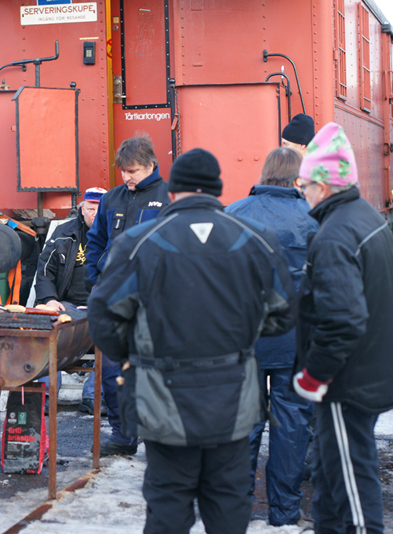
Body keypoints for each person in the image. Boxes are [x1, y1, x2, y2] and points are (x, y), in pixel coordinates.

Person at [88, 148, 297, 534]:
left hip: (163, 397)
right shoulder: (256, 239)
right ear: (217, 189)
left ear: (173, 190)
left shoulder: (140, 242)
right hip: (233, 396)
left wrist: (131, 354)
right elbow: (283, 313)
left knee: (168, 505)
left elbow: (104, 316)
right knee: (228, 505)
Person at [294, 122, 393, 534]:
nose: (302, 192)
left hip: (348, 382)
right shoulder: (363, 217)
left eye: (305, 184)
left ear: (323, 185)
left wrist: (314, 375)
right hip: (368, 372)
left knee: (351, 476)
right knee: (330, 470)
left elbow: (343, 318)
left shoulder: (335, 235)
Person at [225, 146, 318, 527]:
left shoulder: (234, 213)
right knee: (292, 424)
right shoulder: (312, 218)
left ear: (264, 173)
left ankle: (235, 508)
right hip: (295, 338)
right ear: (298, 177)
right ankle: (285, 511)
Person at [86, 134, 170, 455]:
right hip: (113, 299)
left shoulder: (168, 197)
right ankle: (123, 435)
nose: (127, 177)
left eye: (133, 171)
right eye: (123, 171)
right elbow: (96, 242)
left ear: (151, 165)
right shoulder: (112, 198)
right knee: (111, 369)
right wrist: (96, 280)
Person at [32, 187, 107, 416]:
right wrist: (49, 299)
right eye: (90, 209)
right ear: (81, 209)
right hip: (67, 305)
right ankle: (46, 395)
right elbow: (45, 270)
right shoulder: (64, 233)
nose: (95, 214)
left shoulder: (116, 234)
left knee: (116, 329)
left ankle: (94, 397)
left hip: (101, 305)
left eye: (100, 209)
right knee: (47, 328)